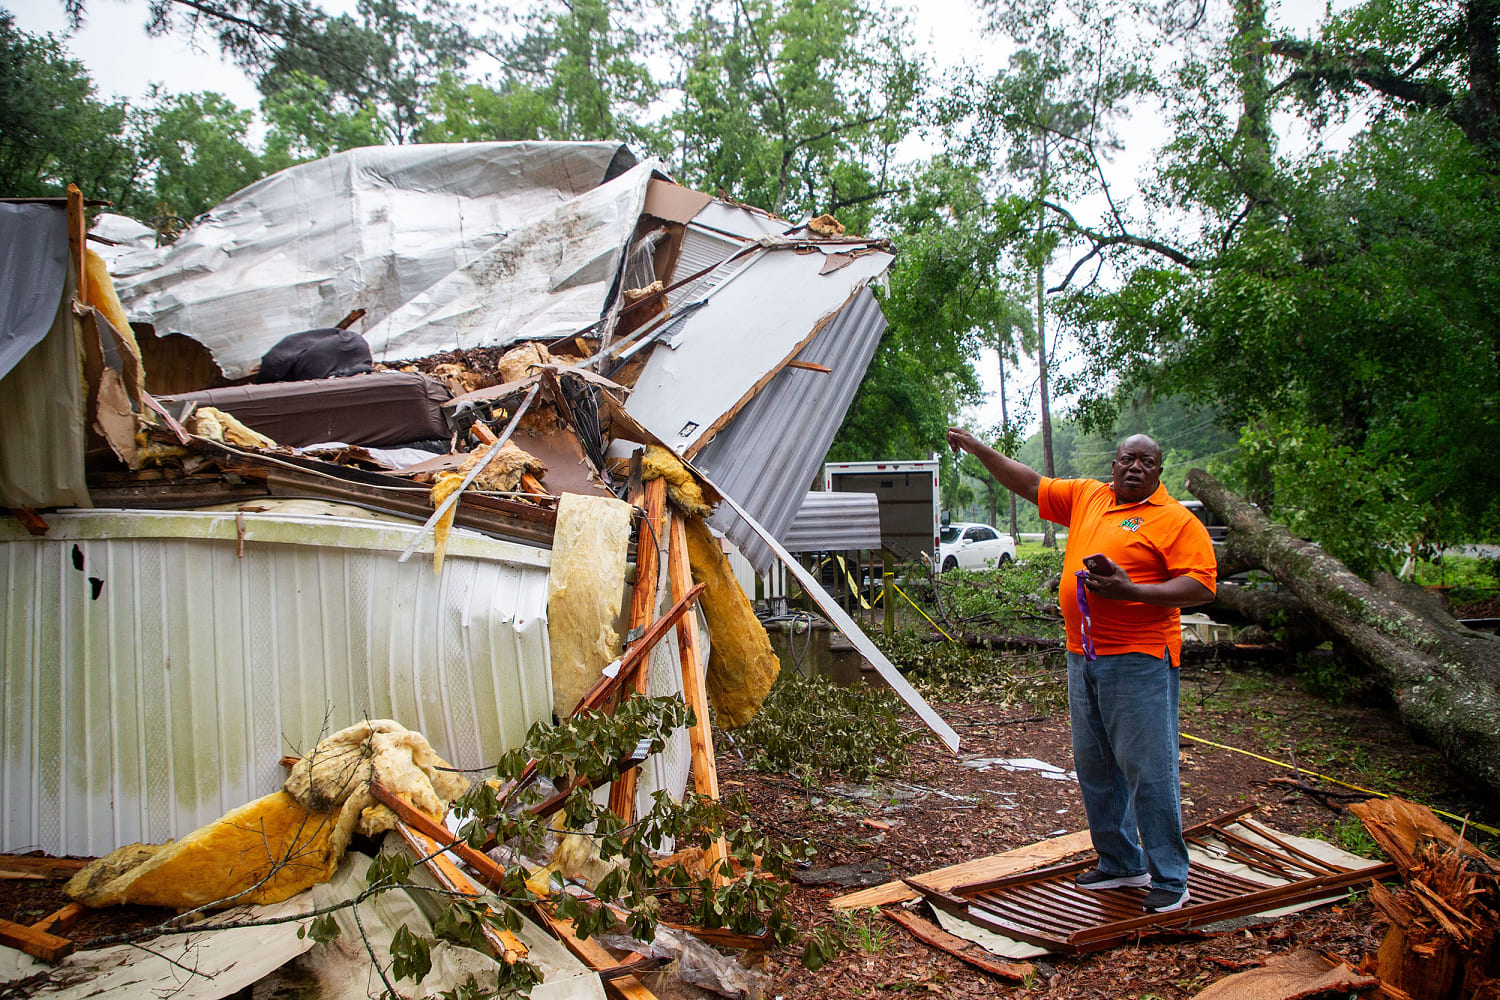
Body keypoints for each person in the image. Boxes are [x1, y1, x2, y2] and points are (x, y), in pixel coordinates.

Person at [945, 427, 1217, 913]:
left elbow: (1200, 587)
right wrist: (977, 448)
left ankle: (1171, 878)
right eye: (1126, 459)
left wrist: (1132, 591)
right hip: (1083, 654)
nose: (1134, 468)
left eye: (1146, 463)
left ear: (1160, 470)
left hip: (1140, 659)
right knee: (1096, 765)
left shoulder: (1175, 521)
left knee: (1147, 769)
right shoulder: (1089, 497)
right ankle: (1119, 863)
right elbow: (1029, 484)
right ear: (1113, 464)